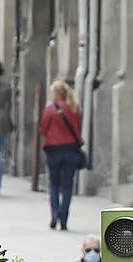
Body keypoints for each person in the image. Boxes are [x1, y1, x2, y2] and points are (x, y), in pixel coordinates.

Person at [41, 80, 85, 229]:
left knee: (53, 184)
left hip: (54, 150)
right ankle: (64, 218)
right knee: (67, 186)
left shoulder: (50, 109)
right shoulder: (74, 108)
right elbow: (78, 127)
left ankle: (54, 214)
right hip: (71, 150)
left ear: (56, 93)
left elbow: (43, 128)